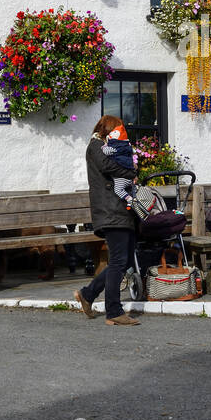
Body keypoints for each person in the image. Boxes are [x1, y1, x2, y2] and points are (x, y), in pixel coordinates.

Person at [74, 115, 141, 326]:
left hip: (119, 211)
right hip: (111, 212)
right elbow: (107, 168)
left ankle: (88, 294)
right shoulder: (95, 146)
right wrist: (132, 173)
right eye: (117, 130)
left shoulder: (108, 147)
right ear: (107, 130)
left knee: (124, 261)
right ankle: (113, 311)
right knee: (119, 262)